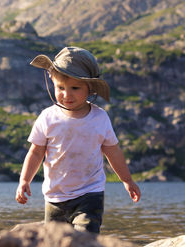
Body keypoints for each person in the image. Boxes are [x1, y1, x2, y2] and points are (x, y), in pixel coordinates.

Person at [15, 46, 141, 233]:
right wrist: (24, 180)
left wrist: (127, 180)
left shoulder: (100, 118)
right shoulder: (48, 117)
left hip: (90, 193)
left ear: (89, 88)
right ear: (53, 84)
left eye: (75, 88)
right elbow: (36, 152)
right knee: (57, 245)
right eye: (60, 88)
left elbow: (113, 151)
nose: (66, 94)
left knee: (85, 237)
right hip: (55, 197)